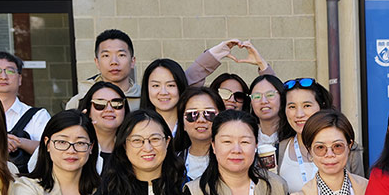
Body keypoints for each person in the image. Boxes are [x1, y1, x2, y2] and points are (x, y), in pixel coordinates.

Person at [65, 31, 269, 109]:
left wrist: (214, 55)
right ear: (96, 61)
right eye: (106, 55)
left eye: (121, 54)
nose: (114, 62)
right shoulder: (80, 101)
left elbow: (183, 83)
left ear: (133, 60)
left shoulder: (147, 98)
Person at [0, 50, 48, 176]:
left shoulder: (38, 115)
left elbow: (51, 148)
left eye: (10, 71)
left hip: (24, 182)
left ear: (20, 79)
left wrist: (18, 142)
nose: (3, 76)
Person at [277, 77, 331, 192]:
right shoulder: (278, 151)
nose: (299, 114)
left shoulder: (346, 149)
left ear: (321, 106)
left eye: (307, 105)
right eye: (292, 107)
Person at [175, 86, 224, 182]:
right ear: (182, 123)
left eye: (209, 113)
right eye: (192, 114)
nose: (201, 120)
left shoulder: (232, 157)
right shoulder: (172, 162)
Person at [80, 80, 129, 170]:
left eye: (116, 103)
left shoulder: (132, 149)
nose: (109, 109)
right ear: (88, 111)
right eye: (100, 104)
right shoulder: (76, 149)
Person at [140, 58, 189, 134]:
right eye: (156, 85)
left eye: (170, 85)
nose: (163, 92)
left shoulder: (193, 125)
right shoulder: (137, 127)